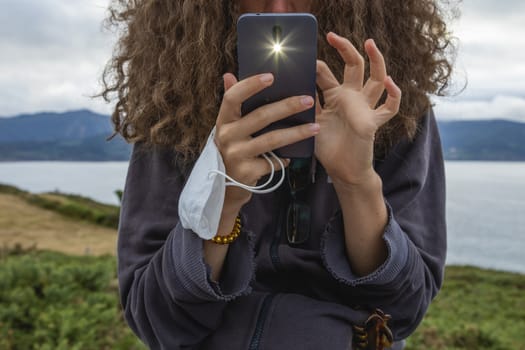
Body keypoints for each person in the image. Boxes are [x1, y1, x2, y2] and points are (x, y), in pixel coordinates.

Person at [101, 0, 456, 349]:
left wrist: (356, 183)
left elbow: (403, 310)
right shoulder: (172, 108)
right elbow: (155, 320)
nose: (279, 11)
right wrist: (221, 202)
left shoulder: (395, 106)